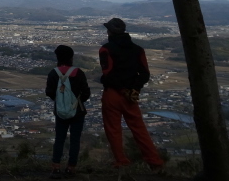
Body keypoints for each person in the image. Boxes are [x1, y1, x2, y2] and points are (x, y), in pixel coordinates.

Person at [99, 17, 164, 172]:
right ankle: (154, 162)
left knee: (113, 129)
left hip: (113, 94)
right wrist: (134, 88)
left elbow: (107, 73)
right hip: (131, 96)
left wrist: (122, 88)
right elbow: (144, 74)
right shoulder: (138, 50)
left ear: (110, 31)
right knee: (139, 128)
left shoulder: (106, 49)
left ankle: (121, 161)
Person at [46, 45, 90, 179]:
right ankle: (71, 168)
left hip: (60, 112)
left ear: (57, 57)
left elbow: (49, 92)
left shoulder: (53, 73)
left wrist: (60, 101)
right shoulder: (78, 72)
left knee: (59, 139)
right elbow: (86, 93)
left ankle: (55, 168)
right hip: (77, 112)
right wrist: (75, 102)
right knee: (75, 140)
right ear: (71, 57)